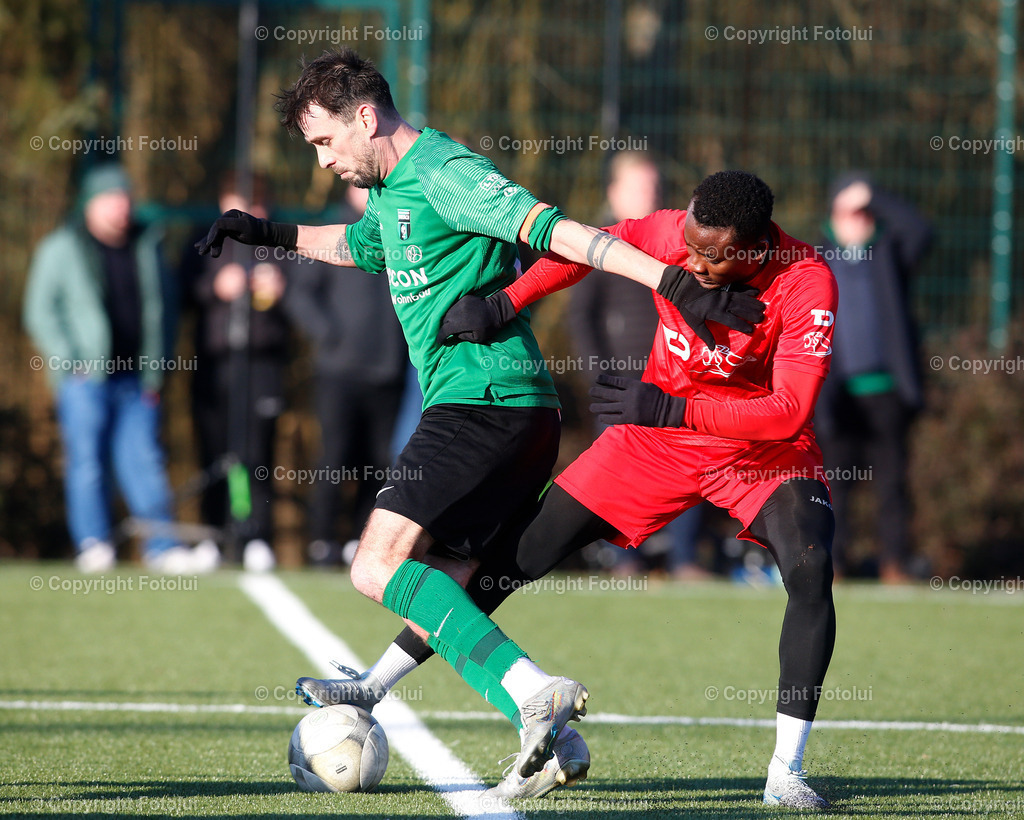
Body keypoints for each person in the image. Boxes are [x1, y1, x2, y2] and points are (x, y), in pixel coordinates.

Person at [194, 48, 732, 790]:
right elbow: (357, 249)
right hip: (508, 415)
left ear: (366, 116)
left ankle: (530, 692)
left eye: (324, 140)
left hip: (483, 404)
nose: (321, 161)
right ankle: (509, 728)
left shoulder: (446, 173)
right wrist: (269, 236)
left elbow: (558, 231)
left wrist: (672, 280)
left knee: (374, 565)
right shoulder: (388, 194)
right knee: (447, 574)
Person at [313, 171, 838, 810]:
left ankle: (786, 771)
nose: (691, 262)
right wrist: (507, 302)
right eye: (690, 245)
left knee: (810, 567)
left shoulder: (806, 280)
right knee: (512, 561)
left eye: (713, 255)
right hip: (653, 442)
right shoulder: (671, 232)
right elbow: (578, 248)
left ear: (755, 249)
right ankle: (374, 685)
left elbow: (788, 411)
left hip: (761, 451)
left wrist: (676, 410)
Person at [23, 163, 216, 574]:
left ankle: (162, 547)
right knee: (88, 462)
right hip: (84, 379)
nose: (121, 209)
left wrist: (157, 369)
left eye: (125, 200)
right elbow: (39, 311)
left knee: (144, 459)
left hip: (138, 380)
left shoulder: (148, 246)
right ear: (90, 205)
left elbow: (163, 312)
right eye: (111, 200)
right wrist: (69, 359)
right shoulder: (61, 248)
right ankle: (94, 544)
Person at [567, 150, 709, 580]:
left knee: (687, 466)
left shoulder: (678, 241)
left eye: (653, 185)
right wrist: (599, 375)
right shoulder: (597, 242)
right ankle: (624, 561)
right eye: (637, 186)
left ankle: (684, 559)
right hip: (622, 382)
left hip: (675, 380)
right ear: (613, 192)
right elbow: (581, 316)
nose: (649, 193)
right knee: (619, 474)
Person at [283, 184, 408, 567]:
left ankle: (360, 539)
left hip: (389, 369)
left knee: (378, 460)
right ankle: (322, 541)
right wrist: (329, 334)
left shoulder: (400, 225)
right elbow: (300, 295)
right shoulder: (332, 227)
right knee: (334, 457)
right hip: (338, 371)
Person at [816, 174, 931, 583]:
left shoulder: (889, 251)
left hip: (887, 391)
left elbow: (921, 230)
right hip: (836, 393)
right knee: (835, 487)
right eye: (850, 211)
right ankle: (835, 563)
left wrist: (874, 195)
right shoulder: (816, 257)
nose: (858, 220)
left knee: (891, 483)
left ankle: (894, 563)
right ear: (833, 214)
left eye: (866, 212)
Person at [182, 172, 291, 572]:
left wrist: (281, 290)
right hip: (216, 362)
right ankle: (214, 533)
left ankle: (257, 535)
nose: (250, 211)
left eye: (257, 203)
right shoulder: (202, 237)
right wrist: (216, 288)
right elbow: (183, 290)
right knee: (214, 450)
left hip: (263, 362)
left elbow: (309, 293)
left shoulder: (279, 240)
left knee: (257, 451)